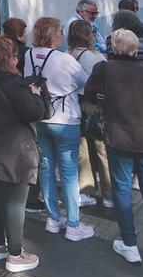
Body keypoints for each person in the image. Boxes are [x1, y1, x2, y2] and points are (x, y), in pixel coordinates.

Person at [85, 29, 143, 266]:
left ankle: (129, 243)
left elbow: (90, 95)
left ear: (113, 47)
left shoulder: (104, 69)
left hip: (118, 136)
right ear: (136, 48)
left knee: (122, 189)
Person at [0, 35, 46, 273]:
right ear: (11, 58)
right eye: (16, 56)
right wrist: (35, 94)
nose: (18, 60)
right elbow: (33, 112)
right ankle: (15, 254)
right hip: (15, 152)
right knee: (15, 203)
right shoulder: (14, 84)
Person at [24, 17, 93, 242]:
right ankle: (73, 224)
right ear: (52, 34)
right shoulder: (65, 59)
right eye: (60, 30)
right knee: (69, 172)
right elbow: (84, 82)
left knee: (46, 169)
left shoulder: (29, 55)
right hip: (66, 119)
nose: (62, 34)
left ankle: (53, 219)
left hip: (41, 117)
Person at [67, 19, 110, 208]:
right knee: (102, 150)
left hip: (75, 105)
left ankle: (87, 190)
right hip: (94, 105)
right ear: (88, 35)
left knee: (82, 151)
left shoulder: (66, 55)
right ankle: (109, 193)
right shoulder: (95, 57)